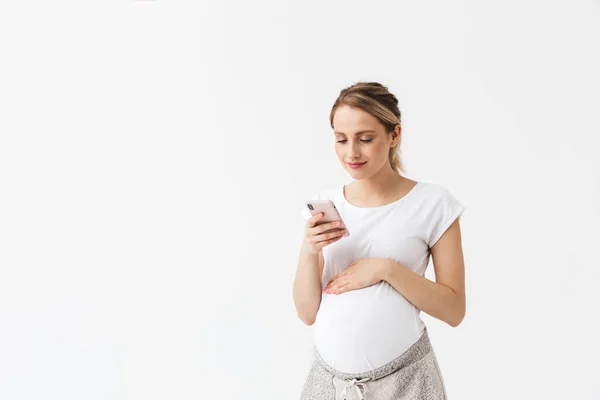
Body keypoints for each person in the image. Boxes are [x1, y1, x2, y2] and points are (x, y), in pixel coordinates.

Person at [293, 81, 466, 400]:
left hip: (405, 383)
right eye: (341, 140)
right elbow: (307, 313)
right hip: (330, 386)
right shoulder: (326, 204)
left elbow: (454, 310)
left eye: (365, 139)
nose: (351, 153)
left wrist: (386, 270)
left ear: (394, 135)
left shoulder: (433, 204)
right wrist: (309, 251)